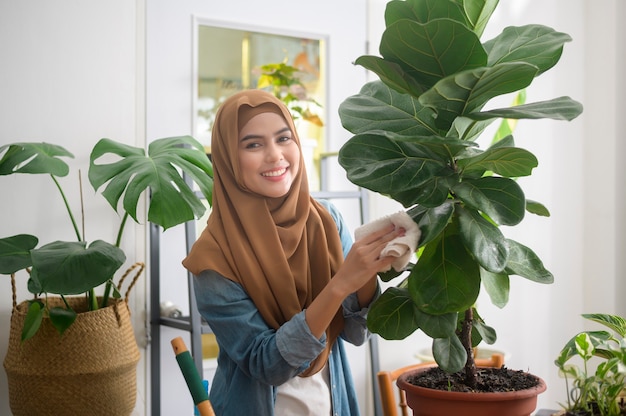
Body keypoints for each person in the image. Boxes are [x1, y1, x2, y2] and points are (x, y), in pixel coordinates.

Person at [182, 89, 402, 416]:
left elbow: (358, 333)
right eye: (253, 144)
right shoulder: (213, 260)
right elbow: (267, 364)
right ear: (228, 158)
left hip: (333, 405)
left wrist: (368, 270)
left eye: (284, 138)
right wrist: (340, 283)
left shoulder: (326, 221)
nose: (275, 155)